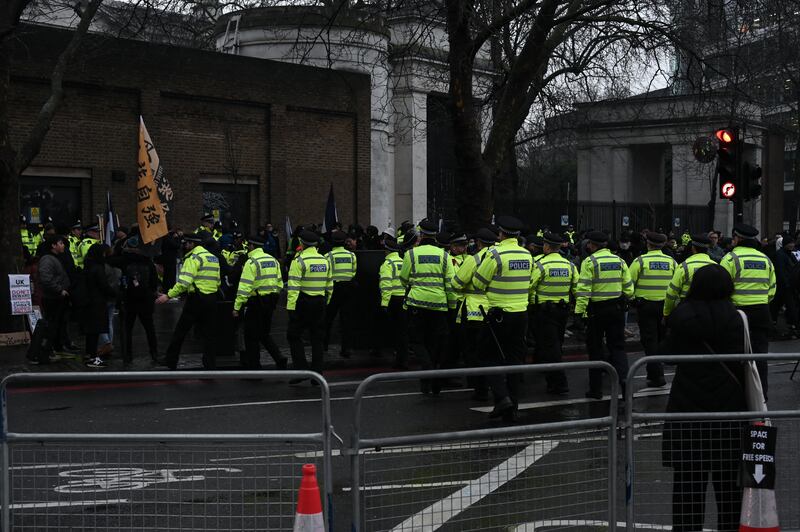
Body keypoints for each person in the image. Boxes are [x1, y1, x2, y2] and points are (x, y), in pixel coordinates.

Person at [659, 264, 745, 532]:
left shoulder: (682, 316)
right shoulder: (737, 318)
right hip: (729, 414)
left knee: (687, 492)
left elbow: (667, 354)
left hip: (688, 413)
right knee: (730, 492)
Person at [472, 216, 531, 421]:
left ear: (500, 234)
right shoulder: (527, 255)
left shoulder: (495, 254)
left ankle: (502, 397)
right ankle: (511, 407)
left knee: (487, 356)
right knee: (514, 360)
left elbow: (478, 283)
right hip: (521, 314)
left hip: (499, 315)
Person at [575, 231, 634, 399]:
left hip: (597, 312)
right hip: (616, 310)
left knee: (595, 349)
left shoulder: (589, 262)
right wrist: (630, 298)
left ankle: (596, 390)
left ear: (592, 245)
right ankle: (625, 385)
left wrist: (579, 313)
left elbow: (584, 290)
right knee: (618, 348)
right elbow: (629, 288)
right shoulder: (619, 261)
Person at [719, 223, 776, 396]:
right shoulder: (765, 259)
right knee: (760, 358)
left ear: (737, 238)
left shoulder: (730, 259)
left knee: (735, 358)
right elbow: (772, 289)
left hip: (736, 314)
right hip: (761, 313)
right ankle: (761, 395)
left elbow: (721, 288)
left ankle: (737, 395)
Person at [399, 219, 452, 395]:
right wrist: (451, 306)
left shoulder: (411, 254)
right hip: (438, 306)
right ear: (436, 236)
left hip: (417, 305)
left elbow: (404, 279)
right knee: (434, 344)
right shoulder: (445, 255)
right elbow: (449, 283)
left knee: (417, 341)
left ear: (421, 235)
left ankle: (427, 372)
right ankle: (432, 382)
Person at [156, 232, 222, 370]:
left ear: (193, 244)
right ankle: (210, 364)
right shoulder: (213, 258)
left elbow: (183, 283)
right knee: (210, 334)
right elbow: (217, 281)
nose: (184, 245)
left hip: (196, 299)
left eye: (187, 243)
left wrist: (167, 296)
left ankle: (171, 360)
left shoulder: (193, 257)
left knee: (181, 331)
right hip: (211, 299)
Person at [529, 232, 578, 395]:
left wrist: (531, 303)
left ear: (547, 247)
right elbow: (576, 288)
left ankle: (559, 382)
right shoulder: (569, 265)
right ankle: (550, 377)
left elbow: (531, 287)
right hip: (562, 311)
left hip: (544, 312)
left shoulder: (540, 264)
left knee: (550, 346)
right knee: (556, 343)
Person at [451, 228, 497, 400]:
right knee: (491, 351)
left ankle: (479, 388)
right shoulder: (500, 257)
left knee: (473, 351)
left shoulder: (474, 259)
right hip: (494, 310)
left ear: (478, 243)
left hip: (473, 312)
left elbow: (457, 283)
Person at [233, 235, 288, 370]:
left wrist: (237, 307)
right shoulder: (273, 260)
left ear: (252, 246)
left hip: (255, 303)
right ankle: (279, 358)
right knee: (264, 333)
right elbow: (280, 283)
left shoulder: (251, 262)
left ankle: (254, 368)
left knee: (251, 336)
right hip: (270, 302)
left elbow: (244, 287)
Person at [628, 232, 676, 387]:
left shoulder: (640, 261)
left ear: (648, 244)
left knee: (650, 341)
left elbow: (629, 283)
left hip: (646, 306)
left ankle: (656, 376)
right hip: (665, 306)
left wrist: (631, 300)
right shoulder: (671, 262)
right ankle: (656, 371)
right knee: (661, 339)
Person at [286, 230, 332, 382]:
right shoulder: (324, 261)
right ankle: (317, 374)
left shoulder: (299, 261)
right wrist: (327, 301)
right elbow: (329, 285)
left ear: (302, 243)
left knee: (294, 335)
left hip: (303, 302)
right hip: (319, 302)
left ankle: (301, 371)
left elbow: (293, 287)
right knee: (317, 339)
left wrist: (291, 307)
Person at [119, 238, 159, 364]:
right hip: (145, 300)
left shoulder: (123, 263)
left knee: (127, 329)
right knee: (149, 328)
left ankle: (127, 356)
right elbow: (154, 282)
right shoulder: (148, 263)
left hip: (129, 300)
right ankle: (154, 353)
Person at [36, 235, 72, 363]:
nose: (63, 245)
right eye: (60, 243)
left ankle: (57, 348)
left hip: (58, 298)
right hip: (52, 298)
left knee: (58, 324)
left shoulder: (56, 258)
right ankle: (47, 351)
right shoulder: (47, 259)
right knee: (51, 325)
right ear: (53, 245)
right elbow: (46, 279)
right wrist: (59, 289)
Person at [82, 244, 118, 368]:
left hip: (89, 301)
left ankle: (89, 354)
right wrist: (116, 294)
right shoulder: (98, 267)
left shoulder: (88, 265)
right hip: (97, 302)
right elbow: (104, 286)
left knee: (91, 331)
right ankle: (93, 357)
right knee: (95, 330)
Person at [663, 234, 716, 317]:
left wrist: (667, 313)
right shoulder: (716, 267)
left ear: (693, 248)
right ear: (707, 249)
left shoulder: (684, 267)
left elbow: (671, 292)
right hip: (710, 311)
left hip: (687, 311)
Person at [323, 230, 358, 358]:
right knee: (346, 320)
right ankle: (346, 349)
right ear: (344, 242)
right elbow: (354, 272)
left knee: (328, 319)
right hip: (348, 289)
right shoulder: (352, 256)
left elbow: (326, 274)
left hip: (333, 289)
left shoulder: (328, 256)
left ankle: (324, 345)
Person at [772, 237, 798, 335]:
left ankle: (778, 324)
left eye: (793, 243)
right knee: (788, 306)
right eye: (790, 243)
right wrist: (786, 284)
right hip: (783, 286)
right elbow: (780, 271)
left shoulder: (790, 254)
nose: (792, 245)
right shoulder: (780, 255)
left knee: (777, 305)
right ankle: (793, 326)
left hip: (789, 285)